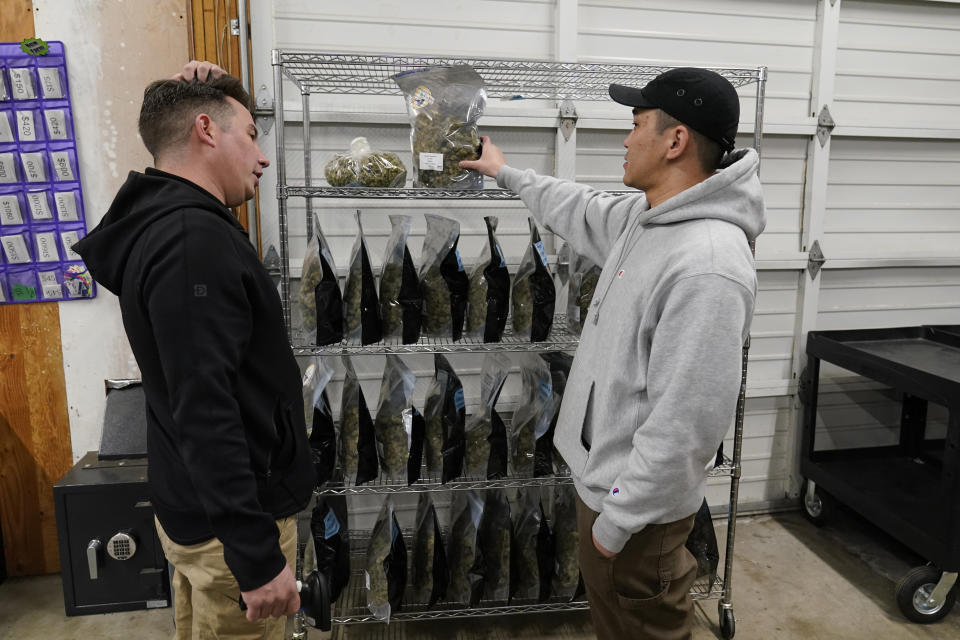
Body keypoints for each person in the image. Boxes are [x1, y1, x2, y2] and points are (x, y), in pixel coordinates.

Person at [461, 67, 765, 640]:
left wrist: (618, 522)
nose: (625, 140)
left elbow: (687, 425)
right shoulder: (646, 219)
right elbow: (578, 207)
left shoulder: (707, 264)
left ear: (675, 142)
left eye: (636, 125)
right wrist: (504, 172)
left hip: (637, 520)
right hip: (607, 492)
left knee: (643, 627)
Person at [74, 61, 316, 639]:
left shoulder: (155, 223)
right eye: (253, 136)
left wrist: (220, 87)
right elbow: (207, 410)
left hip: (198, 512)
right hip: (231, 531)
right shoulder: (193, 243)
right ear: (206, 130)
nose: (262, 157)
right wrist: (256, 558)